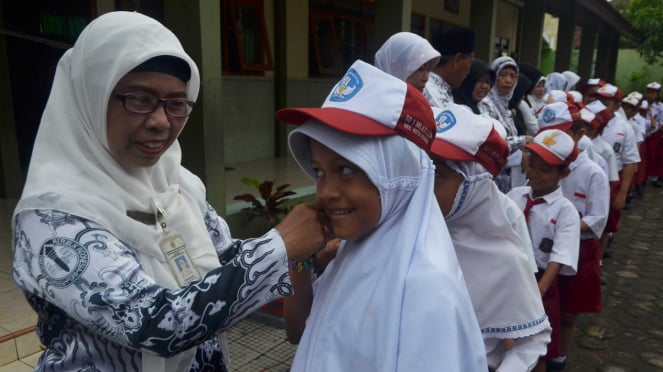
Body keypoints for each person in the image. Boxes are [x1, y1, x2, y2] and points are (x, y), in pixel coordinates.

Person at [11, 11, 330, 372]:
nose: (161, 121)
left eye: (176, 103)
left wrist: (307, 256)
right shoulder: (52, 216)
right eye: (139, 99)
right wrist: (277, 246)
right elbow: (152, 322)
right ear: (91, 96)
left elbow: (220, 261)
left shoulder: (177, 184)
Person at [278, 60, 487, 371]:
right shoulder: (355, 246)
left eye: (346, 169)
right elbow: (298, 333)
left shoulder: (426, 290)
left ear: (398, 170)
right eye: (319, 171)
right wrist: (301, 259)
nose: (325, 193)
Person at [428, 103, 551, 371]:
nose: (423, 184)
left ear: (474, 184)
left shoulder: (505, 258)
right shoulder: (408, 232)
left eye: (437, 174)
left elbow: (533, 337)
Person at [507, 129, 581, 372]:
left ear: (564, 173)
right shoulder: (515, 196)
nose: (534, 174)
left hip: (540, 284)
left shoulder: (565, 210)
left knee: (536, 348)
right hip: (507, 279)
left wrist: (536, 293)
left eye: (545, 170)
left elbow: (559, 257)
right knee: (503, 342)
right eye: (532, 165)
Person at [555, 105, 610, 371]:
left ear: (578, 135)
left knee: (568, 311)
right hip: (547, 245)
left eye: (563, 132)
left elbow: (598, 216)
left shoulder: (593, 172)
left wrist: (563, 225)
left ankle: (560, 358)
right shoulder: (548, 164)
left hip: (579, 247)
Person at [595, 84, 641, 258]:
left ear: (617, 105)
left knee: (606, 225)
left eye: (606, 102)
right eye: (598, 100)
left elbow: (630, 163)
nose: (600, 105)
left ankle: (596, 263)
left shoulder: (624, 128)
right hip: (586, 180)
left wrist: (623, 193)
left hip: (610, 181)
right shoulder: (587, 121)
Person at [479, 56, 526, 193]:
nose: (508, 80)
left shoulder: (506, 108)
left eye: (513, 76)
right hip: (492, 177)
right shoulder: (486, 104)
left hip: (508, 177)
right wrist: (522, 140)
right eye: (503, 75)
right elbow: (491, 140)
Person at [424, 28, 476, 108]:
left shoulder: (433, 87)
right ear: (457, 60)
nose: (468, 71)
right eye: (470, 62)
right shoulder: (432, 96)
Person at [374, 31, 440, 92]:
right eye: (420, 69)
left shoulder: (429, 100)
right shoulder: (372, 100)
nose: (426, 78)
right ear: (397, 67)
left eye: (428, 70)